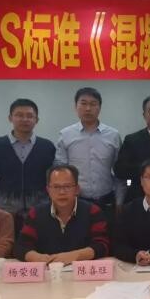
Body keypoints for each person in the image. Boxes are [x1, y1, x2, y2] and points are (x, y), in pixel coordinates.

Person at [0, 98, 56, 231]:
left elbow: (52, 179)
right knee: (8, 242)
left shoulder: (47, 146)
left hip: (39, 208)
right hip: (6, 209)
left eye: (30, 116)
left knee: (38, 240)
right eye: (19, 115)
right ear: (10, 118)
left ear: (36, 120)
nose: (25, 119)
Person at [14, 164, 110, 263]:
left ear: (77, 189)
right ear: (48, 190)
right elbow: (21, 246)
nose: (62, 192)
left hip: (81, 270)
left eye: (67, 186)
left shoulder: (93, 211)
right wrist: (37, 258)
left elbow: (103, 245)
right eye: (56, 187)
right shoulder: (35, 213)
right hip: (48, 269)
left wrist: (76, 255)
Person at [55, 87, 125, 217]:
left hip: (106, 200)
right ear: (75, 107)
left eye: (93, 104)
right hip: (76, 201)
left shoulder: (113, 135)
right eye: (83, 103)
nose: (88, 108)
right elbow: (60, 172)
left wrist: (120, 201)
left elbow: (121, 172)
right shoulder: (65, 134)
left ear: (99, 108)